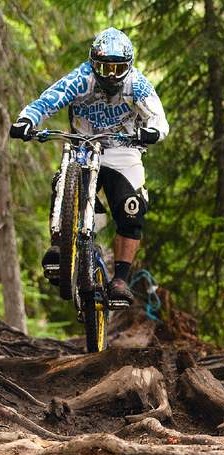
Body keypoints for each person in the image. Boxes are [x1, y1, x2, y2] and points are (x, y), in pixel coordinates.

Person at [10, 27, 169, 305]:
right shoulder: (81, 78)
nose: (110, 74)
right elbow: (48, 100)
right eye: (103, 67)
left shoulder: (137, 84)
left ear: (127, 66)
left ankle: (119, 278)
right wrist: (27, 120)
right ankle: (61, 246)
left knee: (132, 209)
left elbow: (157, 116)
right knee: (63, 180)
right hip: (83, 145)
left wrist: (152, 132)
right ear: (93, 64)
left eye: (116, 68)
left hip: (124, 151)